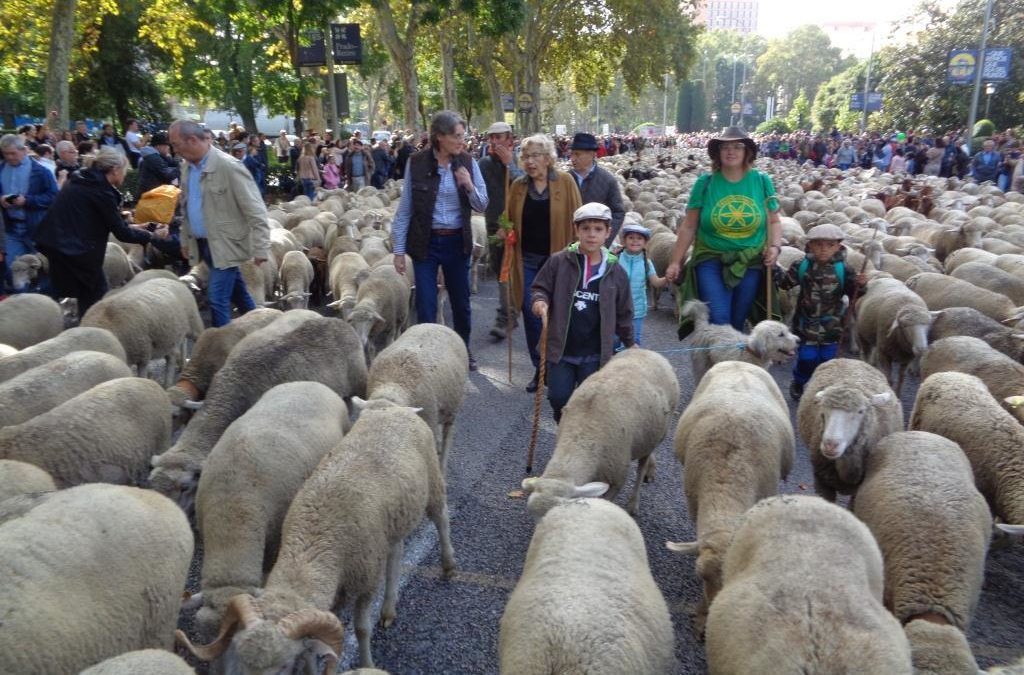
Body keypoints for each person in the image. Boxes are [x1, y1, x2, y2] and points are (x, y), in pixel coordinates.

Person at [391, 110, 488, 370]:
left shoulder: (468, 162)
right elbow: (405, 208)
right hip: (426, 242)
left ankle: (463, 349)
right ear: (440, 137)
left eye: (462, 135)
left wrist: (468, 184)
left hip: (458, 242)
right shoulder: (417, 162)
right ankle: (427, 354)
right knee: (425, 303)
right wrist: (398, 251)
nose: (462, 141)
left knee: (461, 302)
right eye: (457, 136)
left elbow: (482, 204)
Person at [665, 126, 782, 336]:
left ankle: (728, 366)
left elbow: (774, 221)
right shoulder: (705, 183)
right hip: (710, 259)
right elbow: (689, 225)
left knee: (738, 321)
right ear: (717, 152)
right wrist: (675, 261)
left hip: (750, 261)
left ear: (747, 152)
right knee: (719, 318)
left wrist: (775, 247)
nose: (731, 151)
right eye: (725, 147)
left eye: (738, 146)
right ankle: (718, 366)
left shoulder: (761, 181)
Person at [529, 202, 634, 422]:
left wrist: (630, 342)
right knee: (559, 397)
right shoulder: (559, 261)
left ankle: (576, 438)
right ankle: (562, 419)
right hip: (561, 349)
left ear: (608, 233)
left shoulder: (616, 273)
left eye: (598, 229)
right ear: (576, 230)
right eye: (585, 228)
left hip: (594, 353)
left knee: (588, 403)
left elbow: (624, 311)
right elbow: (541, 287)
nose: (591, 235)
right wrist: (540, 301)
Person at [33, 147, 162, 317]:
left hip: (59, 244)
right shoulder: (101, 191)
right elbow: (121, 234)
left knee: (66, 289)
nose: (124, 176)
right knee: (94, 294)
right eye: (124, 171)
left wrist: (137, 227)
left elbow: (96, 218)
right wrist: (152, 236)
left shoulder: (81, 179)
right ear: (115, 170)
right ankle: (88, 330)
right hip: (76, 250)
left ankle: (42, 309)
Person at [168, 119, 271, 327]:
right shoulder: (187, 168)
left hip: (227, 244)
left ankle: (221, 351)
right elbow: (186, 207)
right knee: (240, 295)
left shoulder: (229, 167)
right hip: (205, 244)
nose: (174, 149)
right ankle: (260, 329)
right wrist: (186, 239)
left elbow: (255, 209)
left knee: (217, 299)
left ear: (193, 140)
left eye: (176, 144)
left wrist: (261, 247)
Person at [504, 133, 582, 391]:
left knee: (559, 313)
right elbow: (508, 219)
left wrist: (579, 254)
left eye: (535, 156)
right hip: (525, 260)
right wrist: (505, 230)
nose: (529, 161)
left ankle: (559, 365)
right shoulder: (518, 187)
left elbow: (578, 220)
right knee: (531, 312)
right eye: (525, 157)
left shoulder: (566, 182)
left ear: (548, 158)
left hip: (557, 261)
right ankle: (540, 369)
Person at [774, 223, 866, 400]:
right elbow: (786, 283)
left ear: (838, 246)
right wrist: (773, 270)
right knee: (807, 358)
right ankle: (799, 381)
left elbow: (853, 294)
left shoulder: (844, 269)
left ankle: (822, 387)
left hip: (832, 326)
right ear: (810, 246)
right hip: (805, 324)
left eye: (830, 245)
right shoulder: (801, 266)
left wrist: (860, 285)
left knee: (826, 360)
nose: (824, 250)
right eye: (818, 244)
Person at [477, 121, 525, 341]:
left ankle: (506, 316)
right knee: (500, 272)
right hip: (493, 225)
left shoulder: (523, 160)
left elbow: (526, 187)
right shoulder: (483, 164)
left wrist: (509, 165)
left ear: (510, 139)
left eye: (500, 137)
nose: (496, 142)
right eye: (492, 138)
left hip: (519, 225)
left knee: (513, 273)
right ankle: (509, 313)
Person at [0, 134, 59, 283]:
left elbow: (53, 196)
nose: (9, 157)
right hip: (11, 229)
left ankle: (42, 301)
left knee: (41, 267)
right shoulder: (1, 169)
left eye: (13, 153)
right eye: (6, 153)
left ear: (24, 150)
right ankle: (21, 301)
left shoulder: (41, 171)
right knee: (14, 269)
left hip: (36, 228)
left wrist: (27, 200)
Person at [614, 222, 667, 349]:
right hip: (616, 309)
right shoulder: (615, 259)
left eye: (639, 238)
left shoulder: (646, 262)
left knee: (633, 343)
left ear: (645, 242)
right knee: (614, 342)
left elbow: (655, 282)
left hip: (636, 310)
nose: (635, 241)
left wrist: (668, 278)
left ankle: (630, 367)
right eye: (631, 238)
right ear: (624, 240)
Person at [568, 132, 625, 246]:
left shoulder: (608, 180)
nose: (572, 158)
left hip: (595, 244)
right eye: (572, 154)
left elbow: (618, 212)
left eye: (577, 154)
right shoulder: (565, 179)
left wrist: (604, 239)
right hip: (569, 243)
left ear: (591, 154)